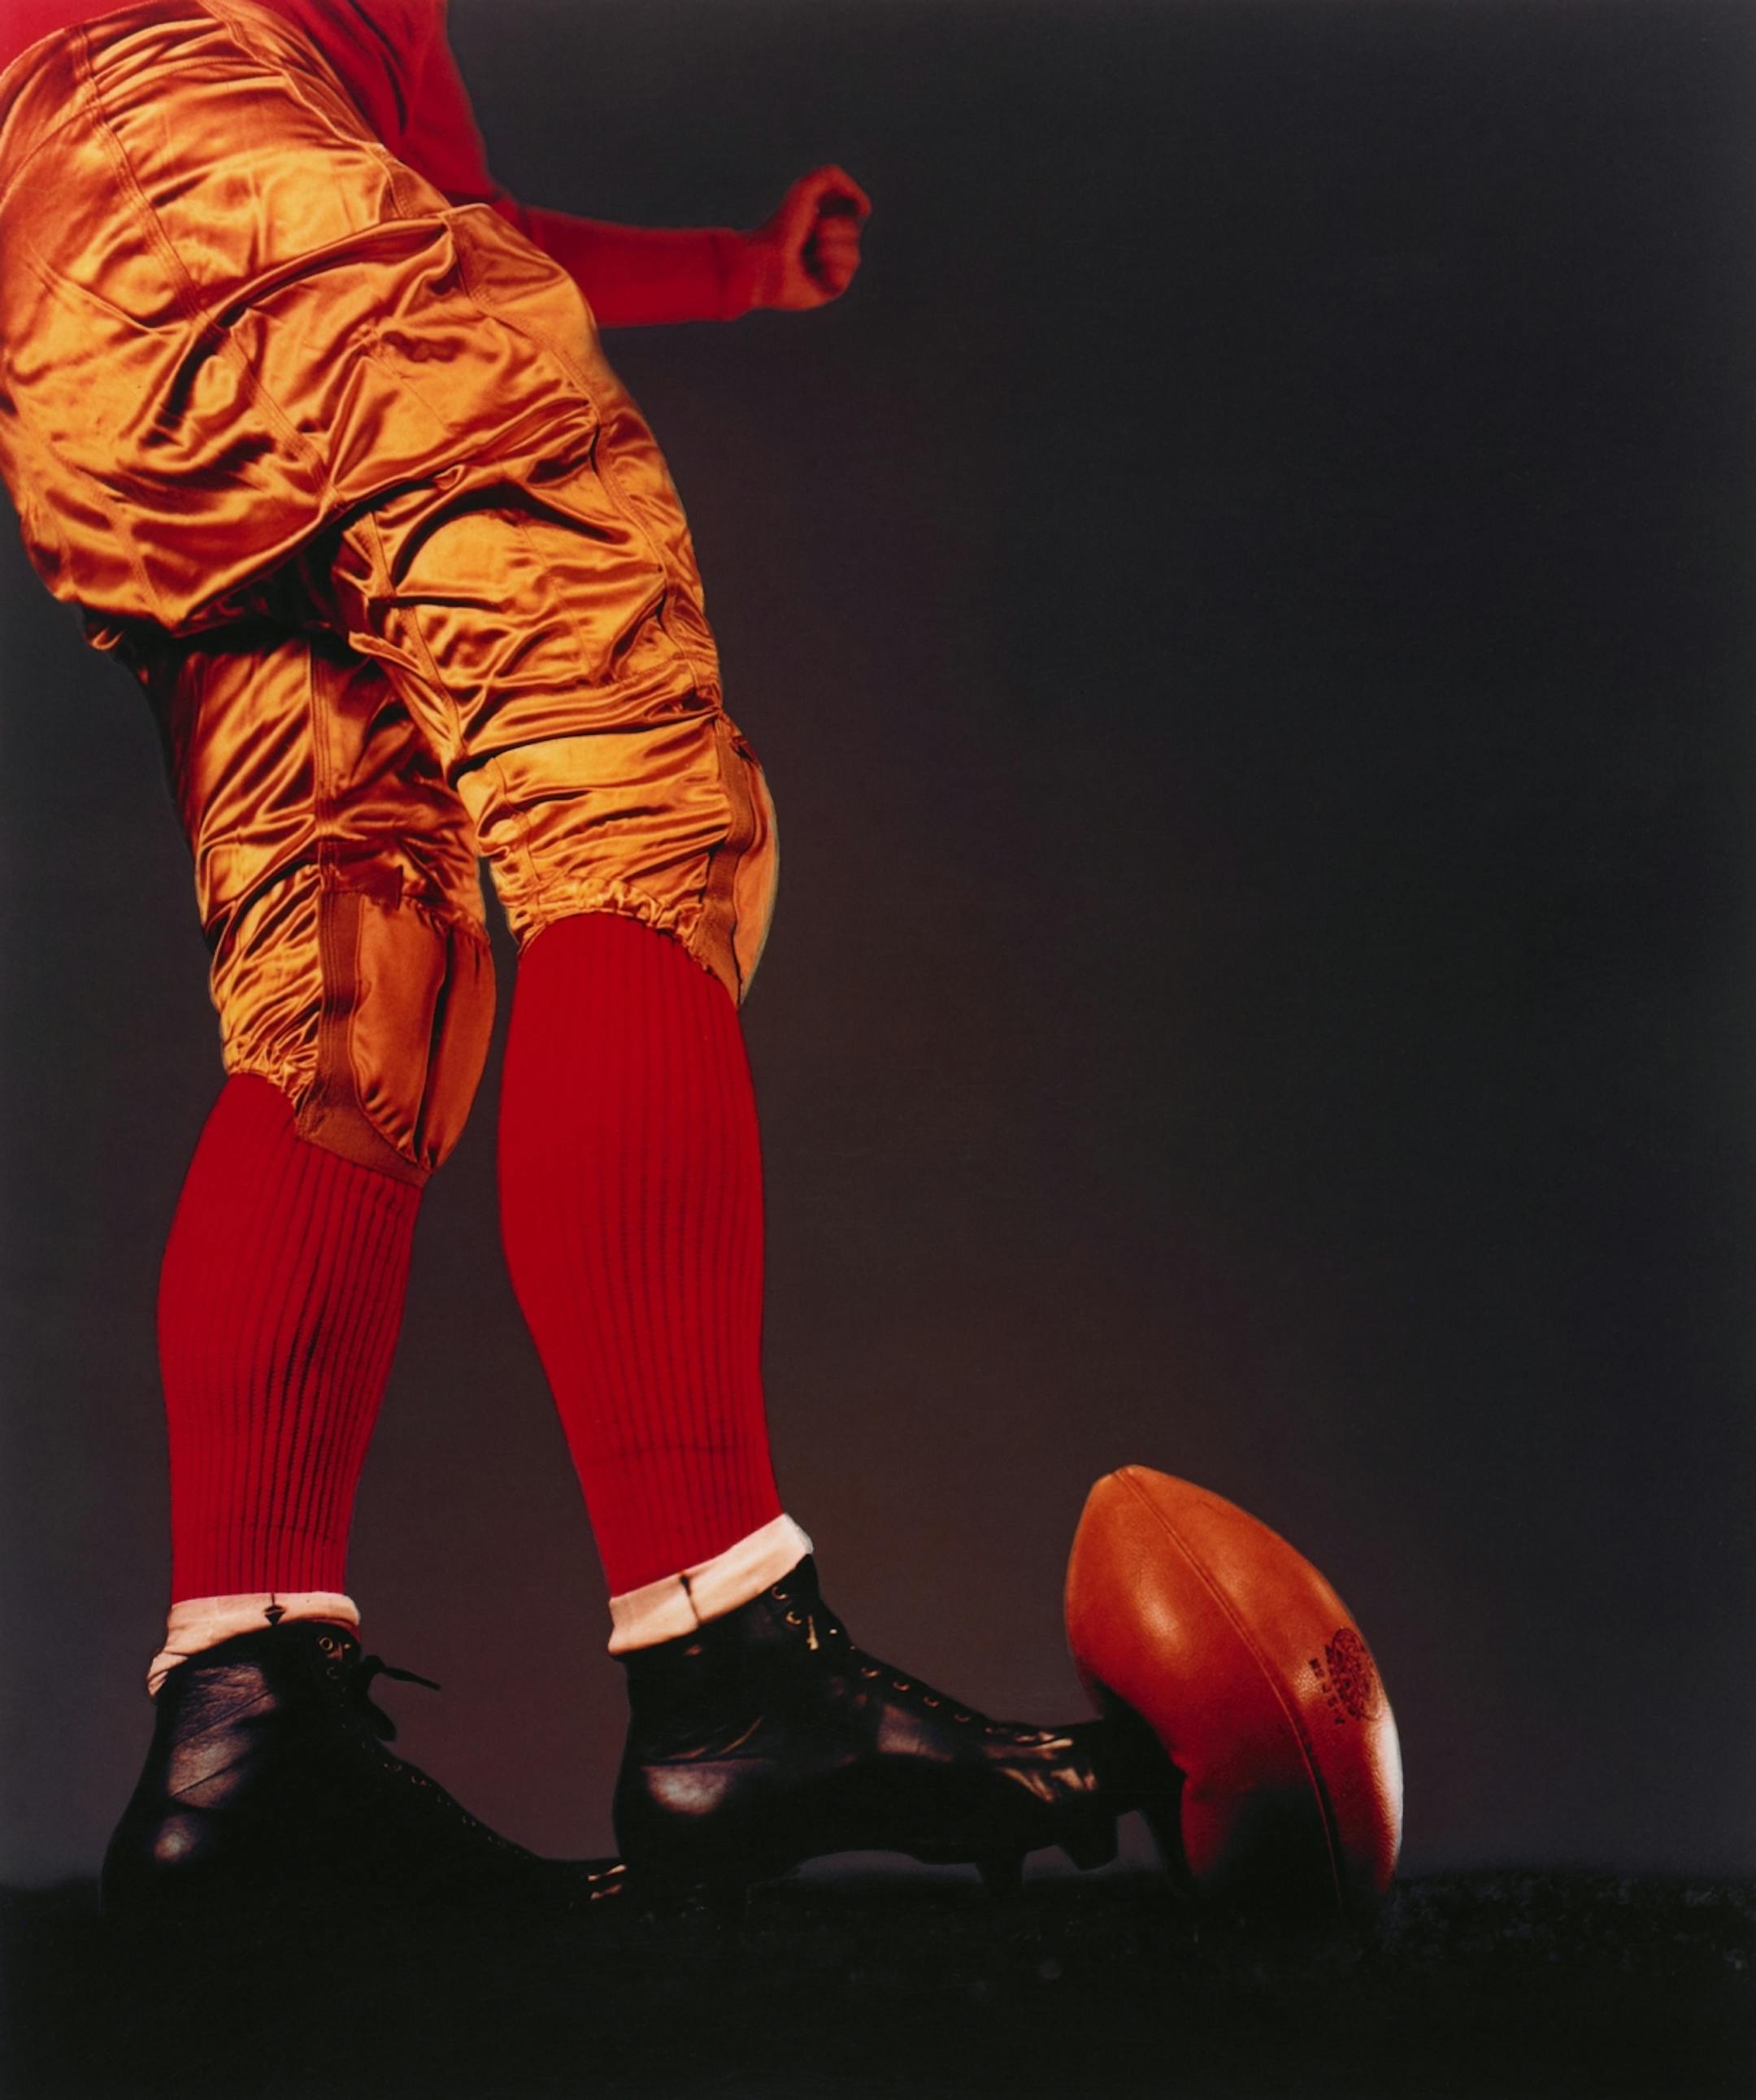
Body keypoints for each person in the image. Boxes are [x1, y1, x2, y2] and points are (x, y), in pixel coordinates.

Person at [0, 0, 1129, 1922]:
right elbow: (382, 233)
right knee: (623, 788)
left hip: (66, 323)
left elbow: (444, 220)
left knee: (355, 981)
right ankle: (728, 1656)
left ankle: (240, 1717)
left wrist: (733, 275)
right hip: (245, 187)